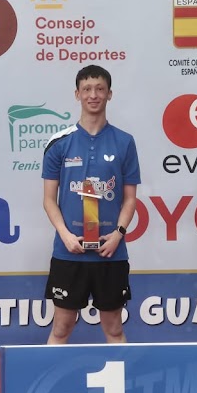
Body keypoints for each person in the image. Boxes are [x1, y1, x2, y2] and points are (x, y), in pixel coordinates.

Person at [42, 65, 140, 344]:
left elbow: (130, 199)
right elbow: (49, 200)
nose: (93, 95)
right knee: (61, 329)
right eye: (87, 89)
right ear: (77, 94)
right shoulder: (59, 143)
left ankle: (120, 389)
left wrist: (118, 235)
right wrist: (66, 236)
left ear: (110, 94)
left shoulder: (125, 142)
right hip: (68, 253)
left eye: (100, 89)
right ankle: (52, 389)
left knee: (114, 329)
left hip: (111, 253)